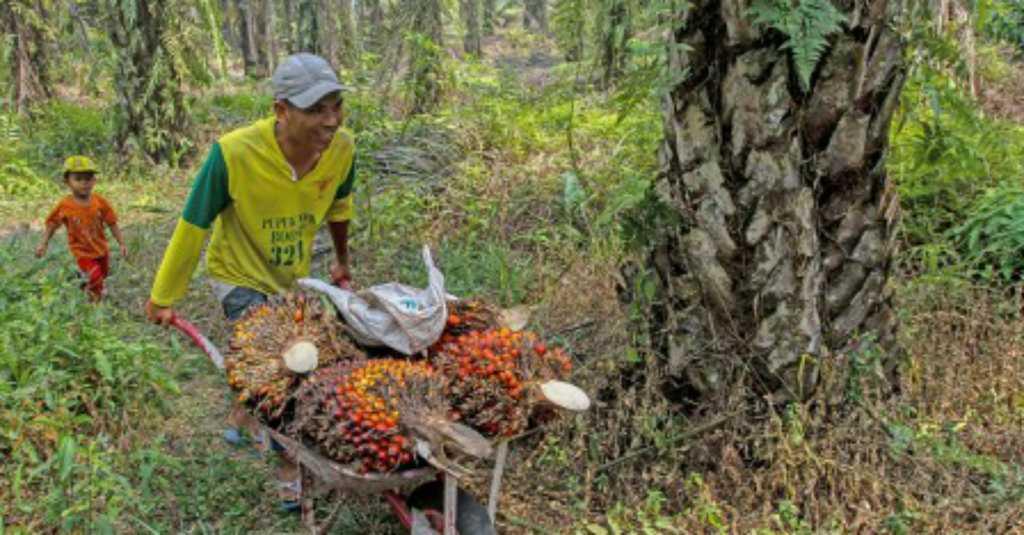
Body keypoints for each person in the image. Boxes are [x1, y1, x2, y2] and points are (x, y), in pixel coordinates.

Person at [144, 53, 357, 512]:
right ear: (281, 110)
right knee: (281, 367)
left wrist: (341, 261)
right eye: (317, 109)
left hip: (289, 276)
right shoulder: (234, 153)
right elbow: (193, 224)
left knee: (278, 355)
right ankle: (289, 467)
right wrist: (164, 295)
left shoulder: (343, 150)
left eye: (336, 105)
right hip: (236, 273)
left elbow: (340, 207)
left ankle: (242, 412)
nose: (331, 119)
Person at [36, 155, 128, 301]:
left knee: (102, 274)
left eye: (88, 178)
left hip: (101, 248)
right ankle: (94, 306)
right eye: (78, 179)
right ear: (67, 181)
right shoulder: (65, 205)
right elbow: (52, 223)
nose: (84, 183)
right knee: (95, 277)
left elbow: (112, 222)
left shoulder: (99, 201)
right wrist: (44, 243)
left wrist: (121, 243)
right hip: (81, 251)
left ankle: (83, 284)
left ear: (94, 180)